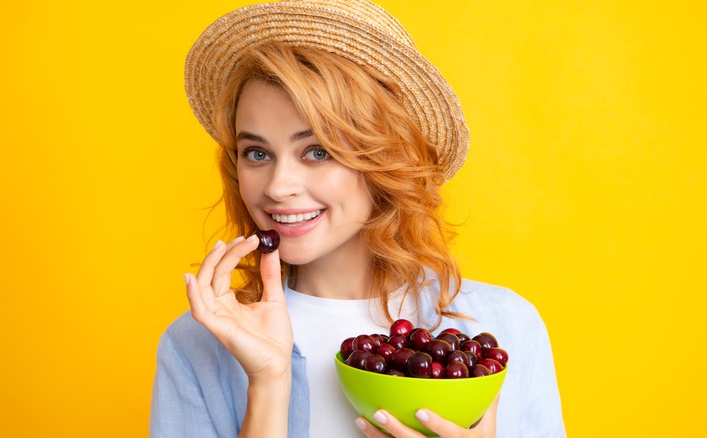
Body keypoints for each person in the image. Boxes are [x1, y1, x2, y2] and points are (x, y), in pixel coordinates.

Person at [150, 0, 565, 437]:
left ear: (385, 158)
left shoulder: (504, 327)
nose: (277, 186)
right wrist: (268, 385)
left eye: (317, 151)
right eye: (257, 153)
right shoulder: (197, 345)